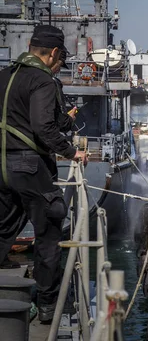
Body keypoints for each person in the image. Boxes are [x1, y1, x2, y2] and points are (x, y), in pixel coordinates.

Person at [0, 25, 88, 323]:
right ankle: (49, 305)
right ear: (53, 54)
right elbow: (43, 128)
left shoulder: (4, 76)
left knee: (3, 230)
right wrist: (71, 152)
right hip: (29, 166)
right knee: (50, 227)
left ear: (29, 45)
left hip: (2, 166)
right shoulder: (43, 81)